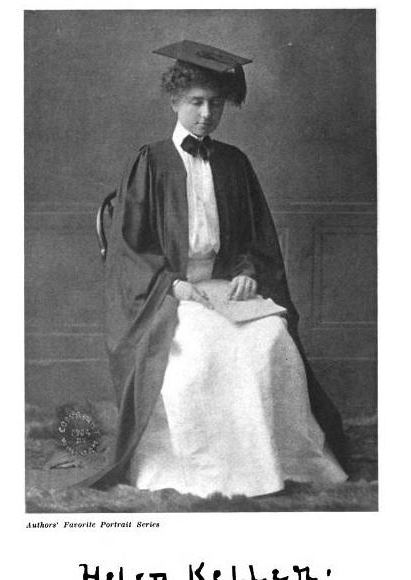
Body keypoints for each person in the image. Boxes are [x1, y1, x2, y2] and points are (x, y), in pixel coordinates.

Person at [87, 40, 348, 496]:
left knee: (270, 336)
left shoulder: (233, 163)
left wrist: (248, 270)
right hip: (168, 294)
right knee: (203, 349)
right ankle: (205, 472)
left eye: (216, 103)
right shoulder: (149, 162)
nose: (207, 113)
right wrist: (173, 285)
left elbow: (254, 237)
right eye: (196, 102)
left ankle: (267, 464)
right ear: (174, 101)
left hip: (225, 288)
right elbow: (131, 248)